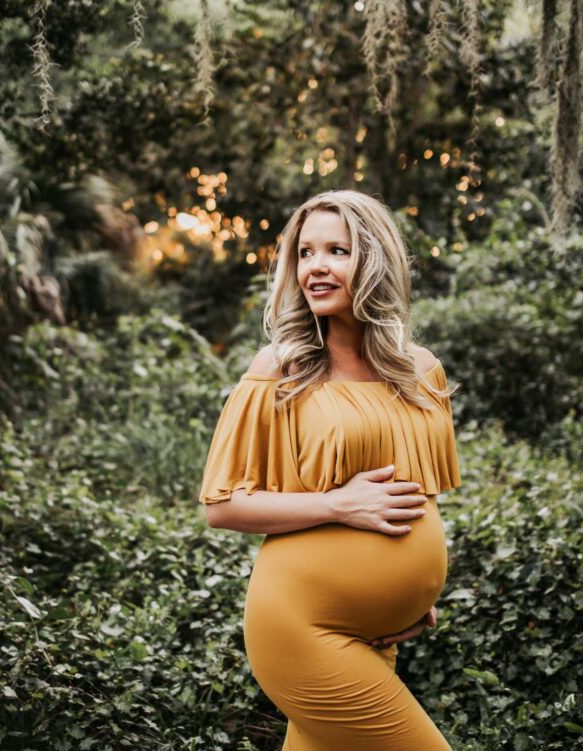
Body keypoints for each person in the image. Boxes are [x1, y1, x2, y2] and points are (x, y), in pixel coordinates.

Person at [198, 190, 461, 750]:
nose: (316, 266)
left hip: (382, 634)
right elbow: (222, 507)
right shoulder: (282, 368)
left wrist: (417, 595)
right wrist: (339, 504)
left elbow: (415, 496)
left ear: (375, 259)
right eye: (305, 252)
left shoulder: (421, 371)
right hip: (300, 625)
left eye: (337, 251)